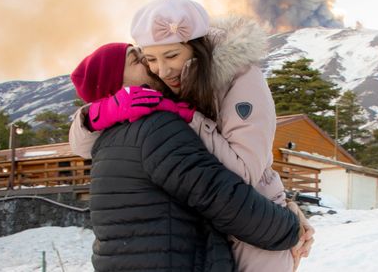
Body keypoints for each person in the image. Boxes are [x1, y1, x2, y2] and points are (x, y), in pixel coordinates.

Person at [69, 0, 315, 271]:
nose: (161, 69)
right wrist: (91, 116)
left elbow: (243, 173)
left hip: (255, 230)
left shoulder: (237, 80)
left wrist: (289, 223)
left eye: (171, 55)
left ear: (196, 47)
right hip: (223, 230)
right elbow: (82, 147)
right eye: (148, 59)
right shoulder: (155, 112)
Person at [87, 86, 301, 271]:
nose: (149, 63)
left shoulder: (105, 139)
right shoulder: (158, 128)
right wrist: (291, 228)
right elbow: (219, 196)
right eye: (137, 59)